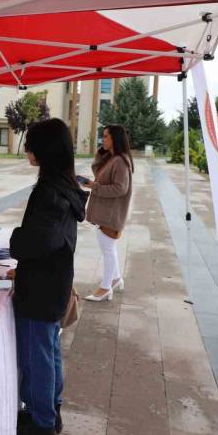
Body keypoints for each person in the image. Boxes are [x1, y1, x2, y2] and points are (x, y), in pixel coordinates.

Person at [10, 118, 88, 435]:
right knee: (49, 350)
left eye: (32, 143)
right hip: (52, 281)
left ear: (46, 149)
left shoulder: (51, 192)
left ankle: (41, 423)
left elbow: (38, 241)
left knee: (37, 356)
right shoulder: (63, 184)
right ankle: (51, 409)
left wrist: (16, 240)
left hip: (41, 288)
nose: (27, 149)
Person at [82, 124, 134, 302]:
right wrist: (101, 153)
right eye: (102, 136)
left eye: (106, 136)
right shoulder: (113, 158)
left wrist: (93, 186)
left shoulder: (120, 161)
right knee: (109, 248)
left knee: (108, 250)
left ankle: (105, 288)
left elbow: (121, 188)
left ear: (115, 139)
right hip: (107, 212)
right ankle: (117, 279)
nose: (102, 139)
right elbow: (98, 171)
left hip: (111, 214)